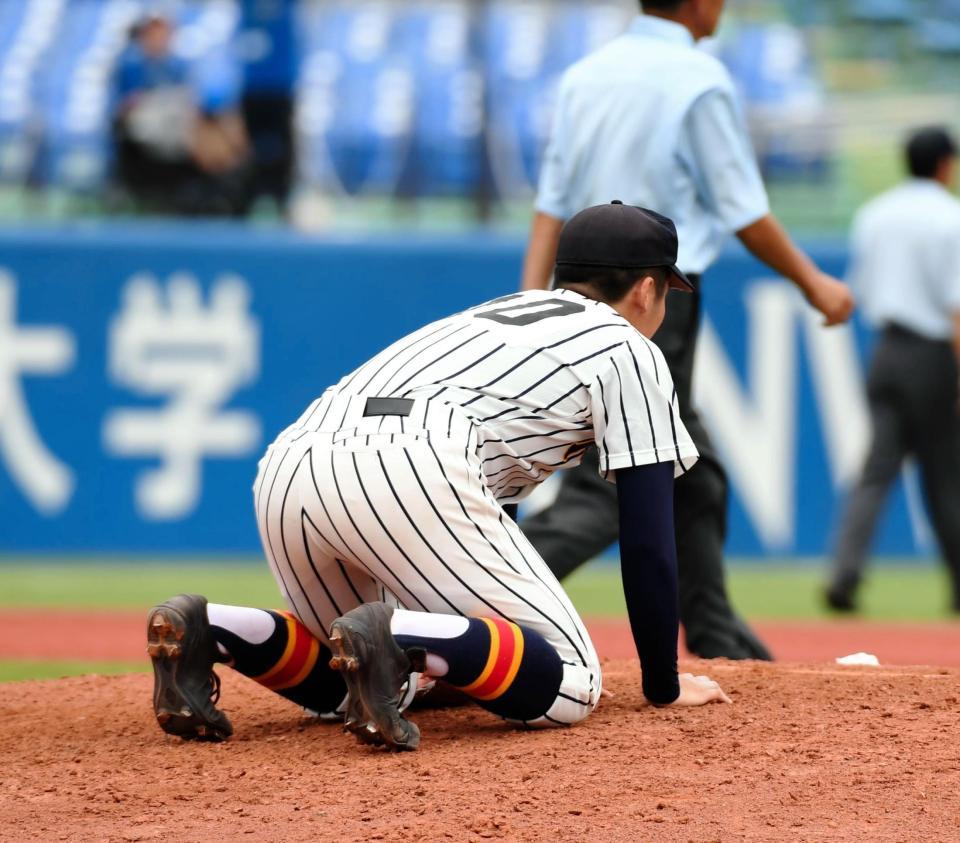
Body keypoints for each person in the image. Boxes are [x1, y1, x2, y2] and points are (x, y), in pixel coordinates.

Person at [146, 202, 732, 752]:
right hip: (411, 465)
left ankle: (211, 628)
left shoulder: (498, 314)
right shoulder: (627, 348)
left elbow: (492, 504)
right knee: (572, 682)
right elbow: (649, 534)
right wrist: (663, 684)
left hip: (292, 462)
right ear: (648, 288)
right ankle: (396, 633)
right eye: (665, 291)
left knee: (362, 678)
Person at [519, 0, 855, 660]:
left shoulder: (587, 74)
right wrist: (814, 281)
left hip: (576, 293)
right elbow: (744, 208)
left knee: (693, 473)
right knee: (611, 487)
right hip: (649, 302)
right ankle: (459, 600)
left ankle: (718, 635)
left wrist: (532, 302)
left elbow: (550, 205)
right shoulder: (699, 78)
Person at [826, 127, 960, 613]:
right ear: (945, 164)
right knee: (945, 475)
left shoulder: (875, 214)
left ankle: (844, 574)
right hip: (932, 354)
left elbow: (860, 286)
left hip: (886, 351)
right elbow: (955, 306)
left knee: (876, 472)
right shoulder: (951, 217)